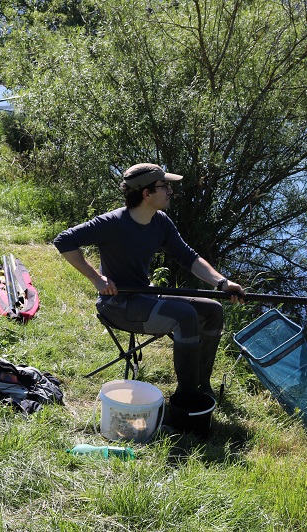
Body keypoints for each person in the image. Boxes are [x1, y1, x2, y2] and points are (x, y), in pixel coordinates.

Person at [53, 163, 246, 397]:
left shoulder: (160, 222)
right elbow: (64, 240)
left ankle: (201, 385)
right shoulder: (112, 223)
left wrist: (222, 283)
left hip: (146, 296)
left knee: (213, 310)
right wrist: (97, 279)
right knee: (185, 316)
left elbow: (188, 257)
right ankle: (186, 397)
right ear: (147, 193)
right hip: (118, 304)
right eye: (164, 186)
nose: (170, 191)